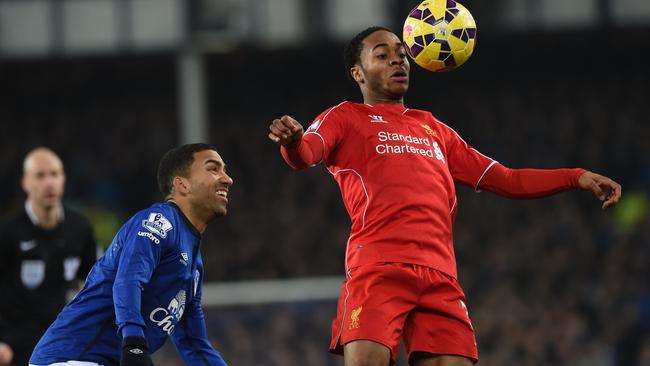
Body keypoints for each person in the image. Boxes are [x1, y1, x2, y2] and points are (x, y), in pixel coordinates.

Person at [268, 26, 622, 366]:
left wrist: (577, 177)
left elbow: (507, 179)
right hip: (379, 269)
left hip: (440, 279)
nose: (398, 61)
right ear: (358, 73)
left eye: (402, 54)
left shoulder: (434, 129)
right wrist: (293, 142)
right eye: (383, 55)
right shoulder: (345, 117)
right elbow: (306, 155)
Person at [29, 143, 233, 366]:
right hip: (71, 358)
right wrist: (135, 343)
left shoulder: (194, 266)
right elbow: (128, 279)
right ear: (182, 184)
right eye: (213, 169)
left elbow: (194, 344)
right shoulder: (159, 223)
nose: (227, 179)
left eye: (224, 170)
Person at [0, 147, 97, 366]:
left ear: (63, 180)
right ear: (25, 183)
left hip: (62, 342)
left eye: (55, 174)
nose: (49, 182)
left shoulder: (80, 228)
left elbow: (93, 283)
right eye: (40, 175)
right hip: (16, 346)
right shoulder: (8, 232)